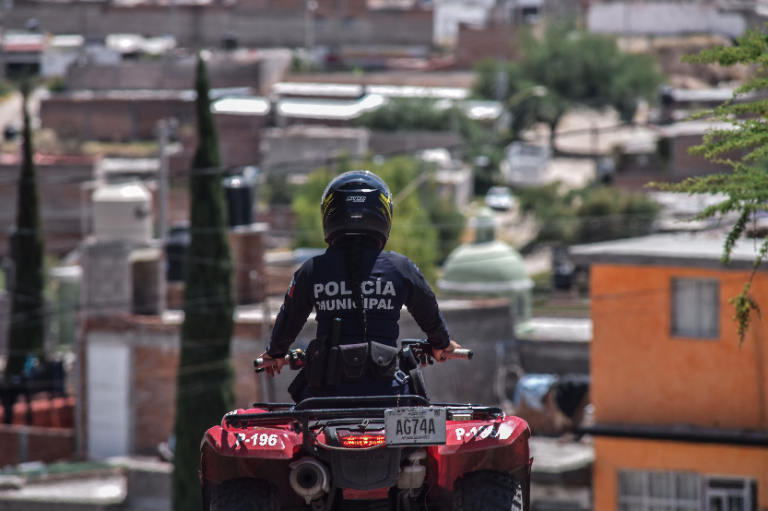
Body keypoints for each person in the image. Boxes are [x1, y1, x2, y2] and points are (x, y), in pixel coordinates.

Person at [257, 170, 460, 400]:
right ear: (384, 214)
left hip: (324, 397)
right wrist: (441, 343)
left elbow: (288, 320)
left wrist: (275, 353)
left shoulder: (311, 270)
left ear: (329, 215)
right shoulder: (401, 268)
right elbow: (429, 311)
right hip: (389, 397)